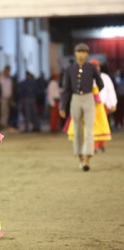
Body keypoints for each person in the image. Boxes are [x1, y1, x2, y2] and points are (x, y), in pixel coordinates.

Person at [59, 43, 104, 171]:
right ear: (75, 53)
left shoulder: (92, 68)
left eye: (84, 52)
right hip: (75, 99)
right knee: (77, 129)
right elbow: (66, 89)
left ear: (87, 54)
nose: (82, 54)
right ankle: (80, 157)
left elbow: (100, 84)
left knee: (89, 130)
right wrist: (62, 106)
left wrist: (94, 94)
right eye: (79, 52)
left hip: (88, 98)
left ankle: (88, 158)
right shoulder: (69, 69)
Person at [89, 59, 117, 152]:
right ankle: (95, 145)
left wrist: (112, 104)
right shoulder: (86, 78)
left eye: (96, 66)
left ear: (99, 67)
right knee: (93, 126)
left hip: (102, 106)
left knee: (103, 125)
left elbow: (110, 91)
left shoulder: (105, 77)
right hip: (90, 106)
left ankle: (101, 144)